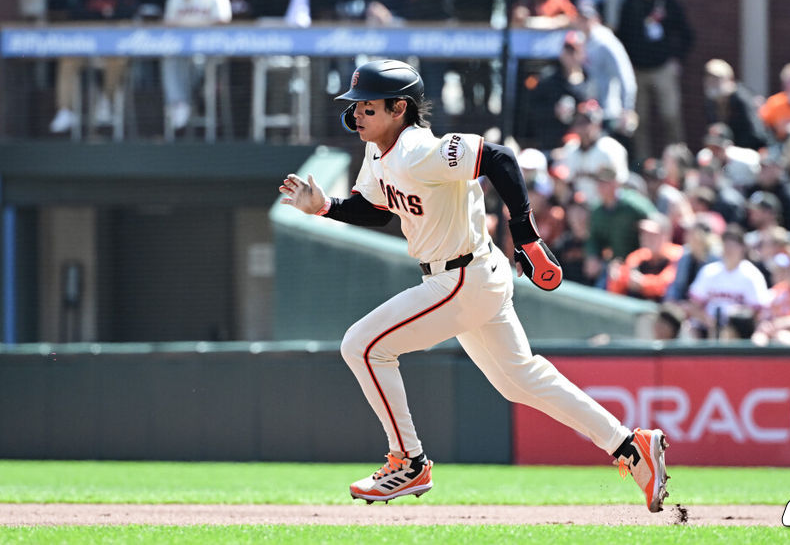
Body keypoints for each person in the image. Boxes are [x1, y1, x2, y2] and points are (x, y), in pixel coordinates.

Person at [278, 59, 669, 511]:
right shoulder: (379, 152)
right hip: (471, 276)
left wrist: (525, 234)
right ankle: (630, 446)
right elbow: (375, 208)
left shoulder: (418, 148)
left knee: (362, 346)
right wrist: (326, 206)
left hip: (461, 276)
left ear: (399, 108)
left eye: (367, 106)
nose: (357, 114)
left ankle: (409, 460)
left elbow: (499, 157)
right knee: (520, 381)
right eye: (357, 105)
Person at [50, 0, 138, 134]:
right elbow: (75, 15)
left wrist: (105, 14)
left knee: (119, 59)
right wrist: (104, 13)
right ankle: (65, 110)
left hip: (113, 50)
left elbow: (128, 11)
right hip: (87, 50)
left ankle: (106, 102)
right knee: (67, 59)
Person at [617, 0, 694, 159]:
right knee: (638, 121)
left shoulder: (668, 3)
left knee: (670, 115)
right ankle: (643, 163)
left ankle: (677, 160)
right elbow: (621, 36)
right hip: (637, 70)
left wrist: (677, 59)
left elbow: (687, 34)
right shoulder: (630, 3)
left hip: (663, 68)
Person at [161, 0, 232, 131]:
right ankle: (180, 104)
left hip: (208, 51)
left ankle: (187, 101)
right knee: (170, 58)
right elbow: (168, 24)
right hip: (181, 51)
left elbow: (223, 22)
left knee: (196, 63)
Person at [685, 224, 770, 339]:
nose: (729, 249)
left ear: (742, 248)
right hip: (708, 326)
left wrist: (733, 316)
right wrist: (708, 320)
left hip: (739, 329)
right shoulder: (710, 271)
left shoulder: (751, 274)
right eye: (726, 245)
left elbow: (758, 311)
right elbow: (693, 305)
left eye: (733, 245)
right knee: (689, 327)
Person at [573, 3, 639, 143]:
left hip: (610, 109)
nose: (583, 22)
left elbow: (625, 75)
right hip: (593, 107)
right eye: (580, 18)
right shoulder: (581, 40)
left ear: (595, 19)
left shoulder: (606, 42)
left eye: (586, 18)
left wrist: (627, 108)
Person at [605, 215, 683, 301]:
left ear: (666, 236)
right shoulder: (638, 256)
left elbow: (666, 285)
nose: (646, 238)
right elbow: (618, 289)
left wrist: (643, 283)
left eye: (653, 234)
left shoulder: (678, 256)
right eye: (644, 233)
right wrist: (615, 279)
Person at [702, 59, 771, 150]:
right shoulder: (711, 103)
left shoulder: (742, 99)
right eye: (709, 79)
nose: (712, 83)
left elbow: (756, 134)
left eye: (716, 79)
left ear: (730, 80)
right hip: (726, 151)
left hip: (751, 150)